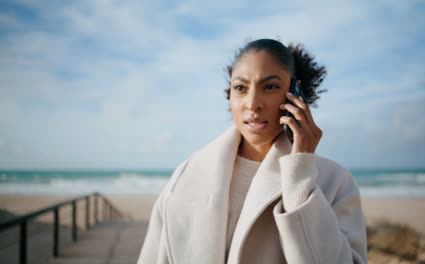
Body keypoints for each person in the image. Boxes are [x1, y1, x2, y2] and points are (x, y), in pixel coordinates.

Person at [138, 39, 367, 264]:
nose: (253, 103)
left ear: (297, 94)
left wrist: (300, 179)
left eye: (270, 86)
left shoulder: (335, 181)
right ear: (230, 95)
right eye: (240, 88)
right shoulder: (187, 175)